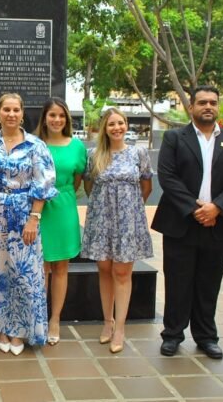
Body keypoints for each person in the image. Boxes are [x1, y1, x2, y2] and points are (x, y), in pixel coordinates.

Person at [151, 85, 223, 359]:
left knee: (209, 283)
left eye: (213, 102)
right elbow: (167, 176)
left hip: (217, 224)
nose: (208, 106)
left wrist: (217, 207)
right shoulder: (174, 138)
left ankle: (206, 336)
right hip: (181, 223)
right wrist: (194, 208)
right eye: (202, 102)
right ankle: (172, 334)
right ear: (191, 107)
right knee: (178, 282)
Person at [0, 93, 57, 355]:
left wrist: (34, 218)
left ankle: (21, 331)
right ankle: (2, 329)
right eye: (6, 109)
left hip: (24, 216)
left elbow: (44, 183)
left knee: (23, 274)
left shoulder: (36, 145)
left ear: (22, 113)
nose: (11, 114)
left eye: (15, 110)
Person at [80, 108, 153, 354]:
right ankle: (107, 321)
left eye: (120, 123)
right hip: (101, 218)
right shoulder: (94, 155)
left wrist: (128, 209)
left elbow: (146, 186)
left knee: (122, 272)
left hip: (128, 220)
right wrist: (106, 206)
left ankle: (120, 327)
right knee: (103, 268)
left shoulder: (138, 152)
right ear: (104, 128)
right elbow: (89, 186)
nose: (116, 128)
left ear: (126, 124)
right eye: (111, 124)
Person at [34, 97, 87, 346]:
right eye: (52, 115)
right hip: (37, 209)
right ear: (44, 118)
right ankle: (39, 319)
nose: (57, 120)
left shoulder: (77, 146)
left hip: (64, 208)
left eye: (61, 116)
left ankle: (55, 319)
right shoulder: (34, 144)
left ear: (67, 119)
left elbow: (77, 181)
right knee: (40, 267)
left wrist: (63, 194)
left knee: (61, 268)